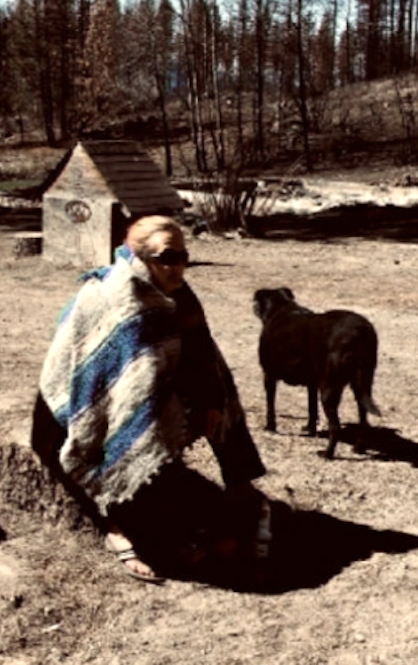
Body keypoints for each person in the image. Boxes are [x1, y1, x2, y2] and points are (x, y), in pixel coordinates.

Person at [31, 215, 266, 584]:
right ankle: (114, 528)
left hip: (144, 396)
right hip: (69, 407)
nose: (178, 267)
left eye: (183, 256)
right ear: (140, 258)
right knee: (94, 452)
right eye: (167, 258)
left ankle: (241, 487)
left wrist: (210, 402)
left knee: (218, 386)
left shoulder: (181, 295)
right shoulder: (112, 296)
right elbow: (119, 379)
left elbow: (201, 352)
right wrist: (143, 422)